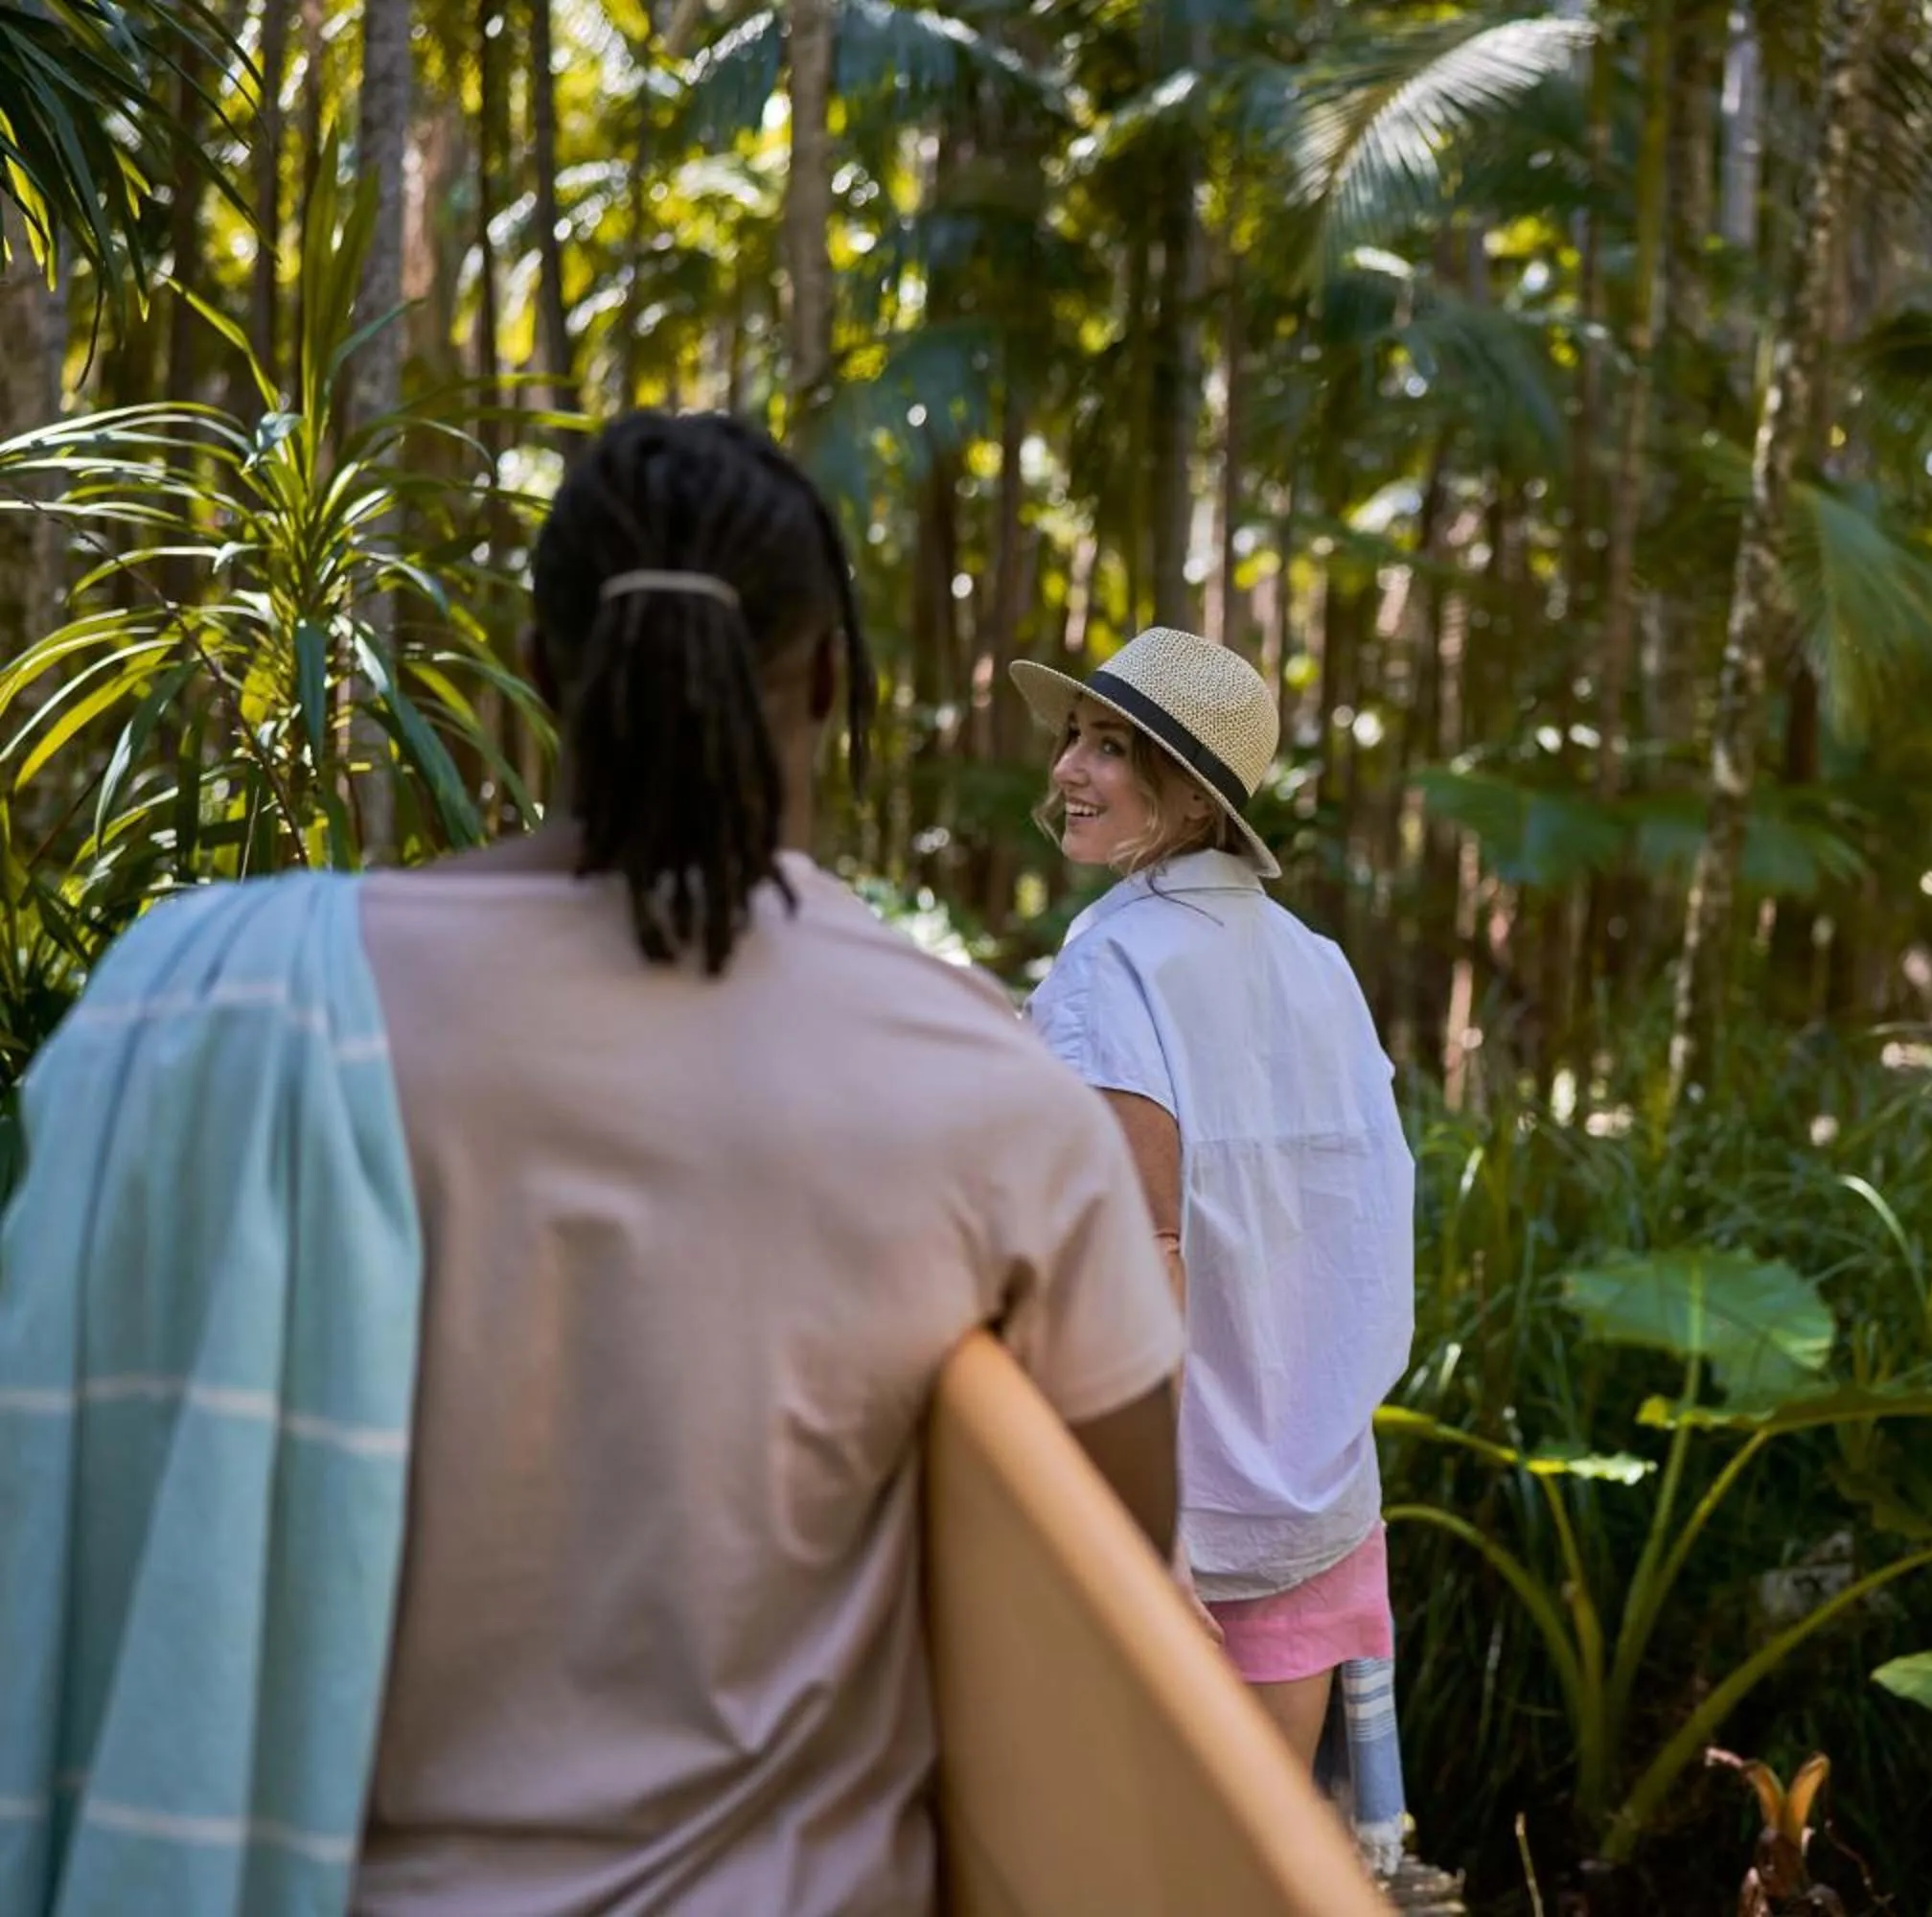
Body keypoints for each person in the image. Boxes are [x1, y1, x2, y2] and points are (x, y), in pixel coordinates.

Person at [0, 407, 1184, 1917]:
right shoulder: (983, 1091)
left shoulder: (223, 1005)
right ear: (826, 682)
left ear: (551, 675)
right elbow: (1104, 1609)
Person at [1009, 628, 1416, 1802]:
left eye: (1111, 748)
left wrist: (1155, 1526)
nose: (1069, 773)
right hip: (1318, 1488)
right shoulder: (1318, 963)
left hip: (1170, 1505)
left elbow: (1141, 1251)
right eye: (1074, 739)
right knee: (1252, 1859)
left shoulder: (1113, 962)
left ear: (1190, 796)